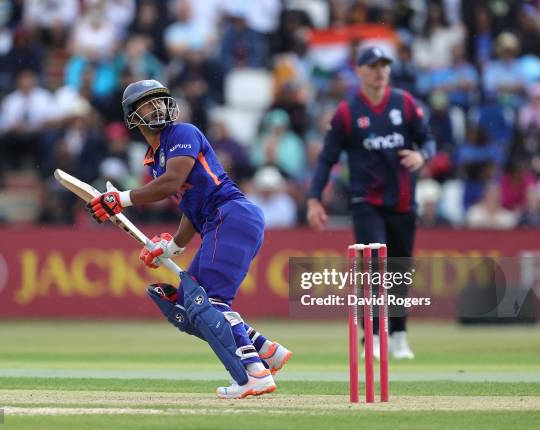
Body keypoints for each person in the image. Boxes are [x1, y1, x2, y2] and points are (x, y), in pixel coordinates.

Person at [85, 80, 292, 399]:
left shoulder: (182, 133)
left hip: (230, 214)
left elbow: (172, 184)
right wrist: (171, 247)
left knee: (209, 303)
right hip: (219, 219)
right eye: (147, 104)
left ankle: (255, 375)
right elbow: (190, 208)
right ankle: (267, 351)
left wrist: (120, 199)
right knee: (187, 304)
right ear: (132, 116)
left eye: (160, 100)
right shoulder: (154, 160)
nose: (157, 107)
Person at [307, 46, 436, 360]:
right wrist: (314, 199)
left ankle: (399, 336)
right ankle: (374, 336)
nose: (380, 71)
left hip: (404, 201)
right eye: (373, 65)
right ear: (360, 71)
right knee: (375, 269)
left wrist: (422, 156)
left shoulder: (404, 104)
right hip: (366, 202)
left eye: (384, 65)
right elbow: (327, 158)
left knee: (399, 270)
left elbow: (428, 140)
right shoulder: (348, 112)